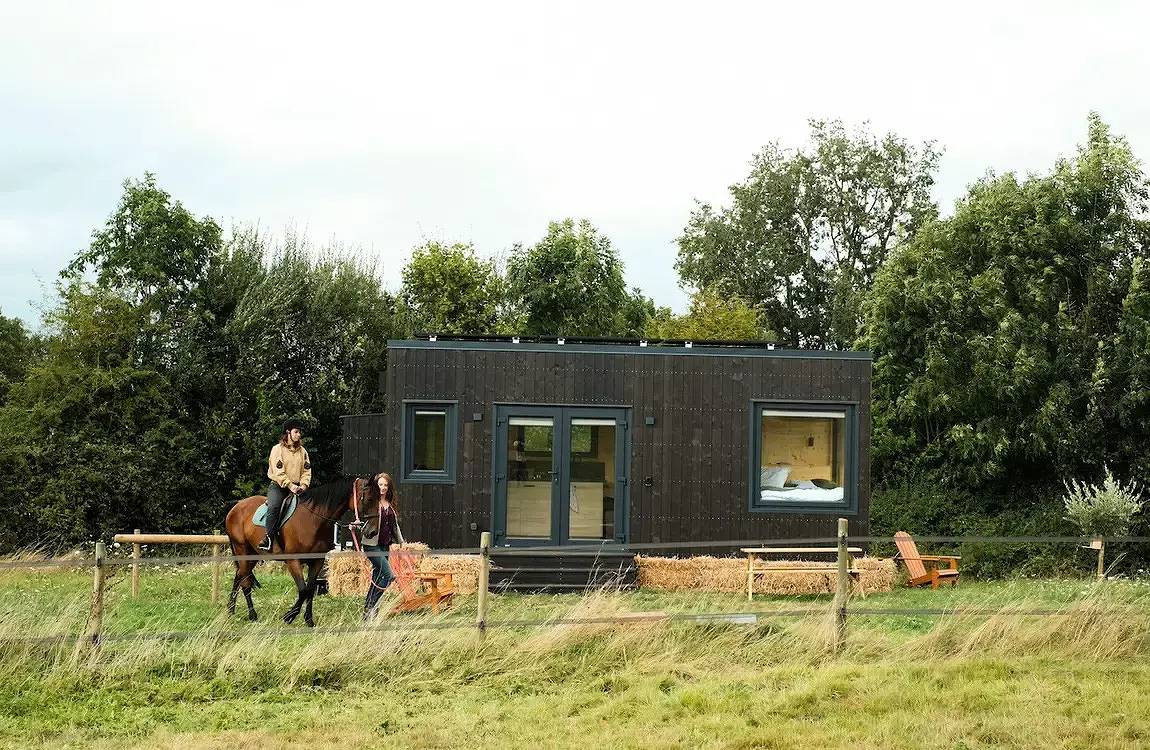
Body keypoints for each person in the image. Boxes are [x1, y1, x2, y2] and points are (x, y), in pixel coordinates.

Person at [260, 419, 312, 552]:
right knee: (275, 506)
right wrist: (290, 485)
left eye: (300, 432)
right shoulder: (277, 450)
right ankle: (268, 538)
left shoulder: (303, 452)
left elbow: (307, 470)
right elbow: (278, 472)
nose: (299, 435)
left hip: (298, 488)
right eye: (296, 432)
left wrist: (304, 485)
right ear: (288, 433)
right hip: (279, 486)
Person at [363, 471, 405, 618]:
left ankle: (368, 610)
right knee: (388, 576)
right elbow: (361, 516)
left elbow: (395, 526)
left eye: (386, 485)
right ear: (376, 485)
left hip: (385, 545)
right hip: (371, 545)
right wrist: (356, 524)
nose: (383, 487)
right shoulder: (370, 501)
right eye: (380, 484)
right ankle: (372, 607)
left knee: (377, 577)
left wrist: (401, 541)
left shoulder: (390, 503)